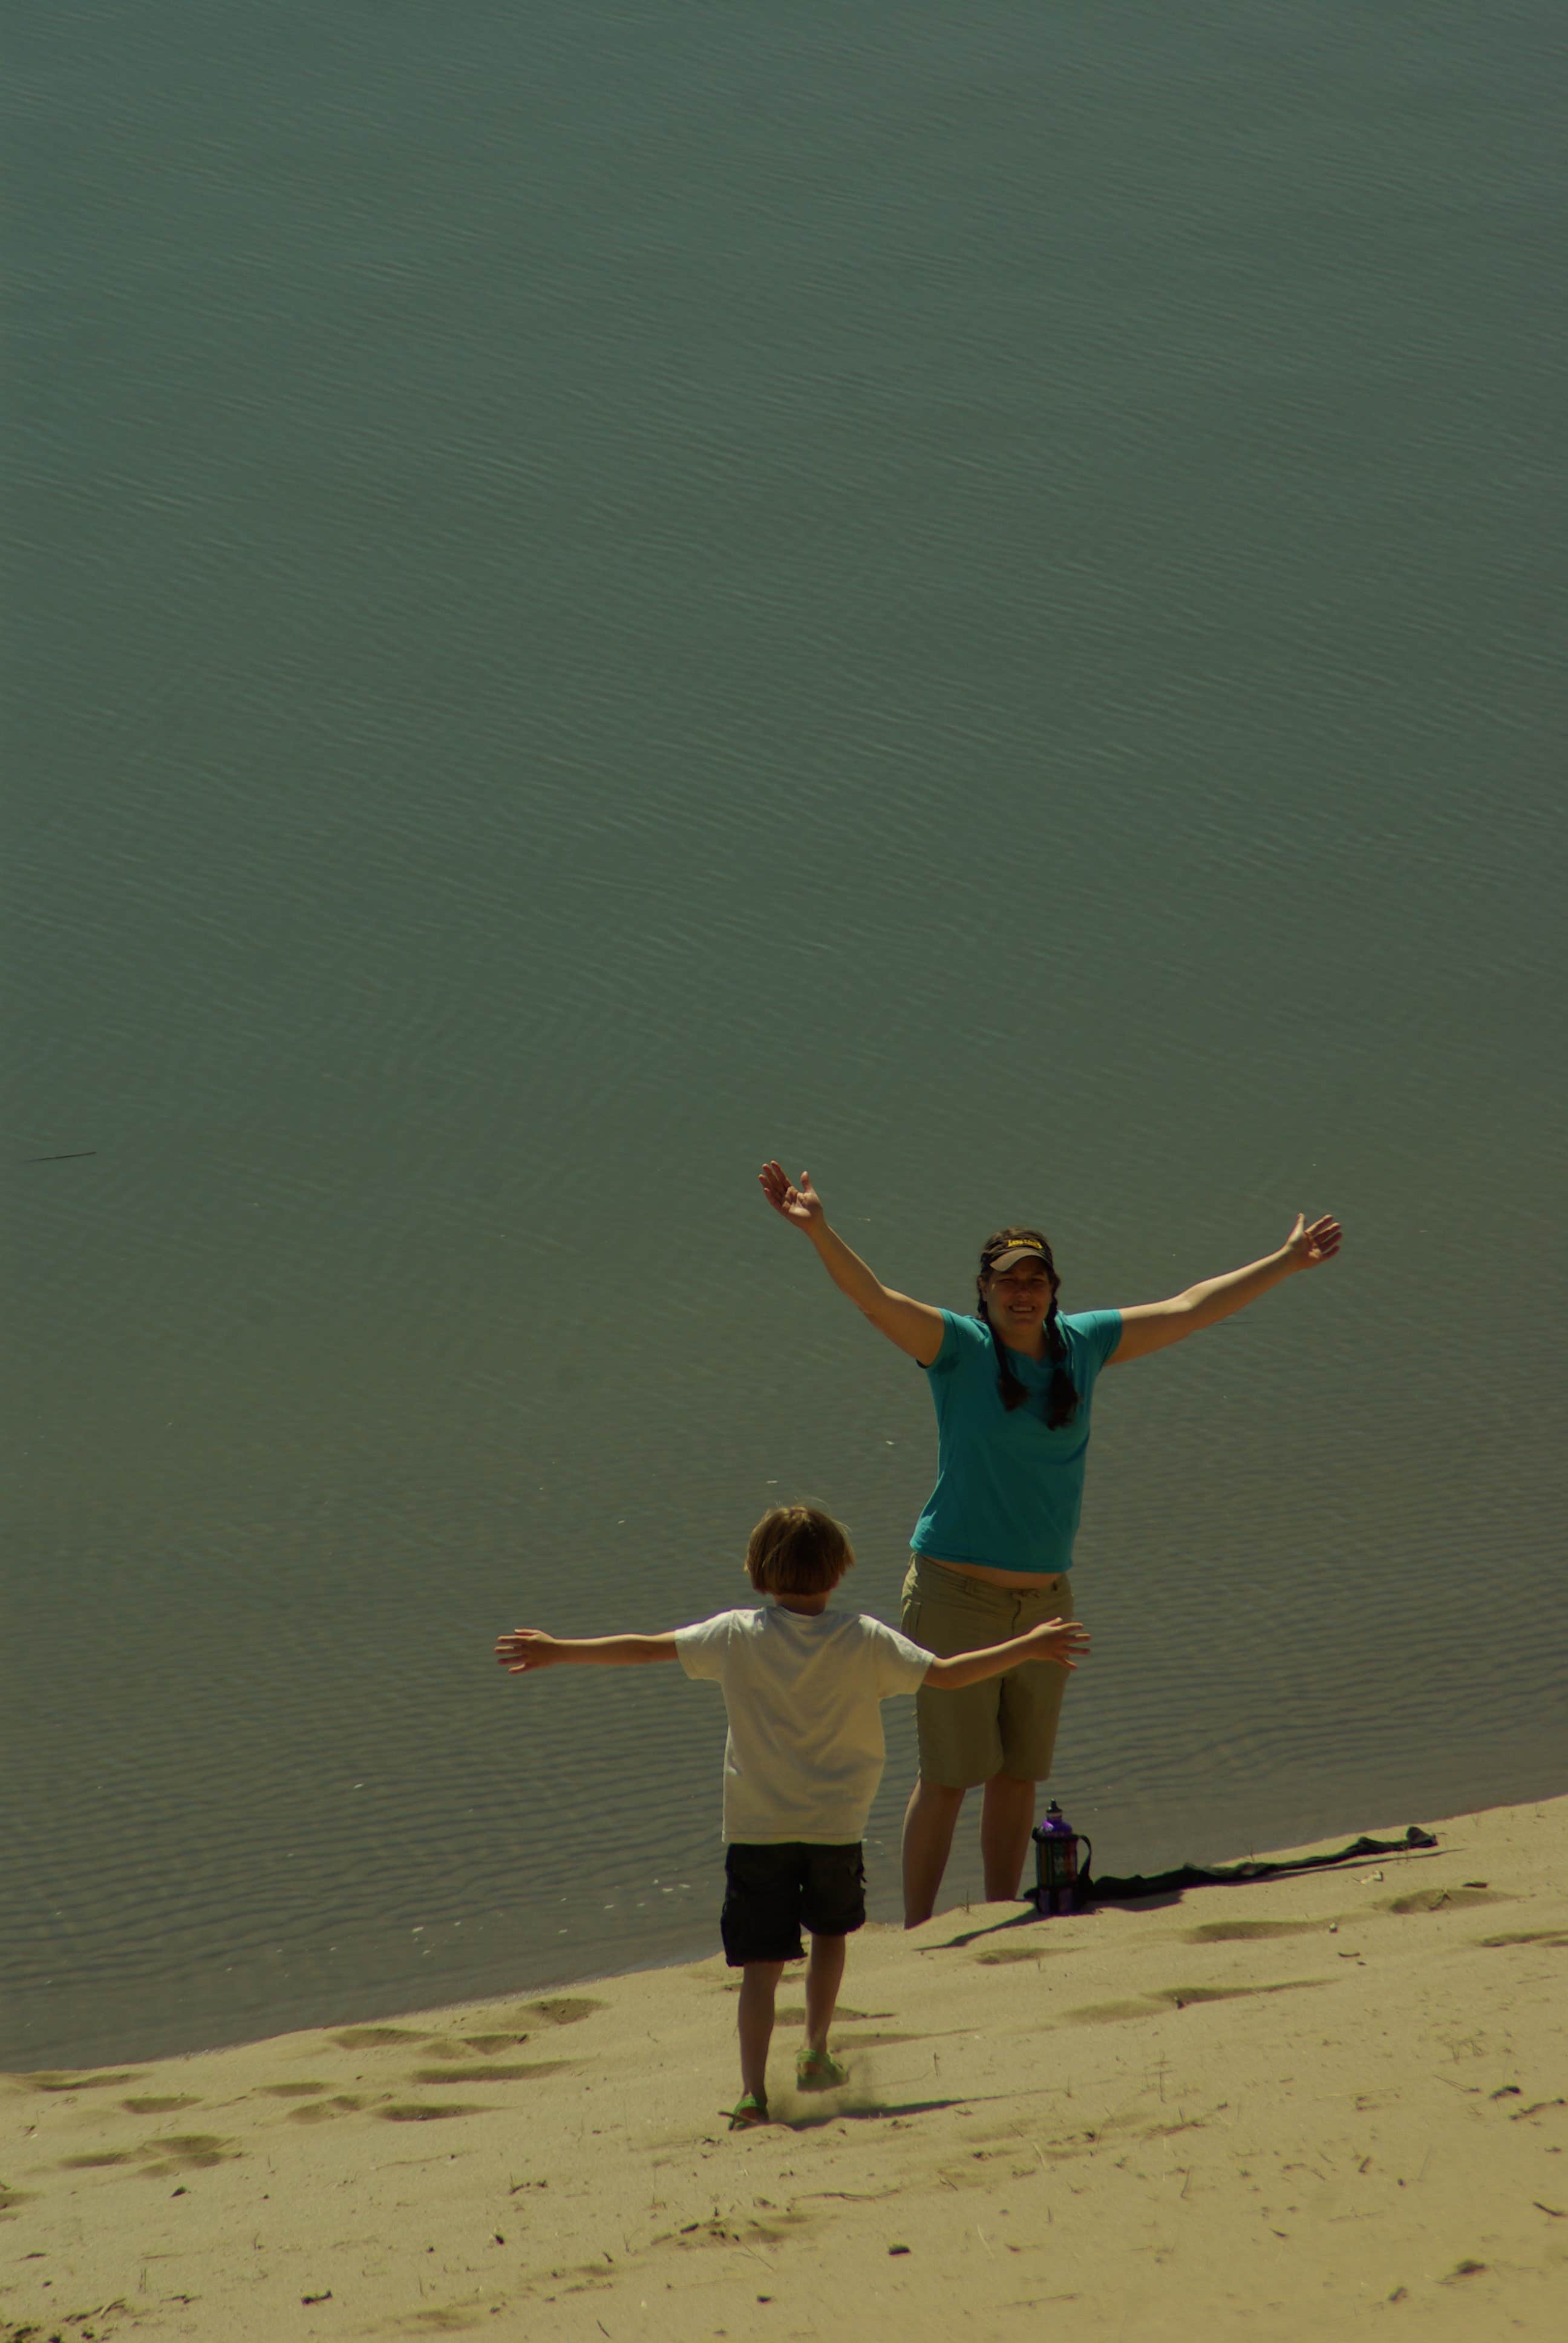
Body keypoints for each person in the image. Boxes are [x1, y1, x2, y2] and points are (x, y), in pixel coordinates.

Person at [757, 1162, 1342, 1927]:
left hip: (1045, 1600)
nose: (1022, 1291)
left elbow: (1191, 1308)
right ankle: (919, 1929)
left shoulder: (1083, 1345)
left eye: (1035, 1277)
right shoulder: (958, 1348)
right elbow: (875, 1300)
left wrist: (1287, 1260)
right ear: (985, 1288)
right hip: (954, 1592)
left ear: (1053, 1286)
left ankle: (1005, 1916)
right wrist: (817, 1228)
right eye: (1008, 1280)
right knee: (948, 1775)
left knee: (1018, 1774)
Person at [495, 1502, 1088, 2129]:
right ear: (838, 1571)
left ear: (758, 1572)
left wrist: (558, 1650)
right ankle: (815, 2049)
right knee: (831, 1937)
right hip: (836, 1825)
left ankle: (753, 2092)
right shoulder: (863, 1637)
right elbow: (945, 1674)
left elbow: (646, 1650)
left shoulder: (735, 1634)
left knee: (760, 1968)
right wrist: (1029, 1643)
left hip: (756, 1829)